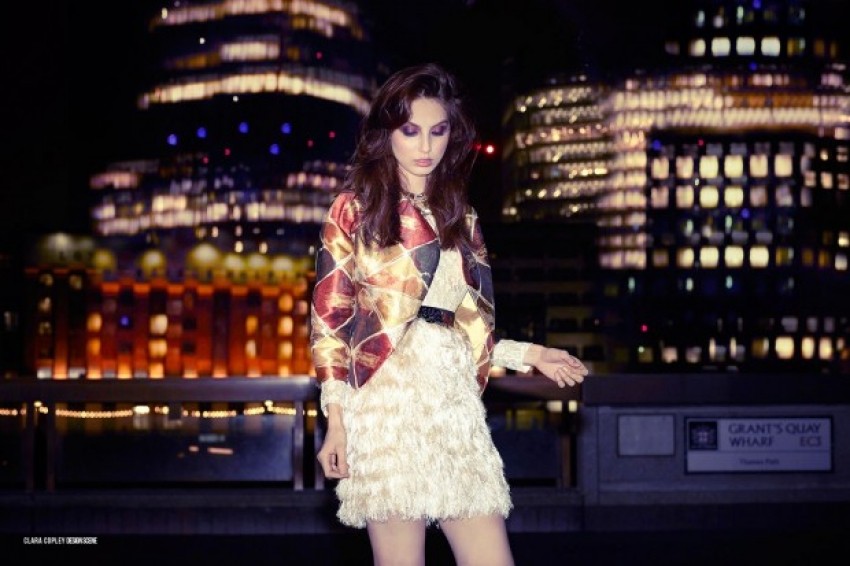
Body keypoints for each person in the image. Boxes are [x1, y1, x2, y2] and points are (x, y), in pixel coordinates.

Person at [309, 62, 588, 565]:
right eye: (410, 131)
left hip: (453, 405)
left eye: (437, 131)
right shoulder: (355, 208)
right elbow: (331, 322)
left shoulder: (461, 216)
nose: (425, 146)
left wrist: (532, 354)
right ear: (386, 132)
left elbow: (462, 329)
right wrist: (337, 422)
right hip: (385, 404)